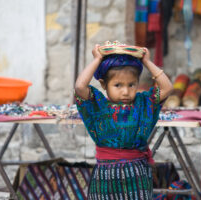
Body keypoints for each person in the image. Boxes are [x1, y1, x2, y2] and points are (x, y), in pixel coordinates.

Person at [74, 43, 173, 199]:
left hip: (137, 176)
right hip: (105, 178)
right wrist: (97, 59)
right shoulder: (98, 106)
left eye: (132, 84)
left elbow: (167, 88)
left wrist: (146, 61)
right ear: (103, 84)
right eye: (118, 85)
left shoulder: (144, 103)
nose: (125, 91)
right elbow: (80, 86)